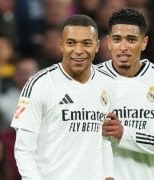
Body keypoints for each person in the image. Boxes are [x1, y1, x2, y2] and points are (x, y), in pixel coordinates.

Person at [11, 15, 115, 180]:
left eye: (86, 43)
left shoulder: (107, 85)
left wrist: (109, 175)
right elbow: (24, 148)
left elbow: (104, 141)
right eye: (71, 43)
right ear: (61, 45)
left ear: (97, 46)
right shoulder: (39, 84)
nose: (78, 50)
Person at [98, 8, 154, 180]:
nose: (123, 47)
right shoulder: (91, 79)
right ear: (108, 42)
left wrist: (125, 133)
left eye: (131, 39)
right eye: (117, 39)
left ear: (144, 43)